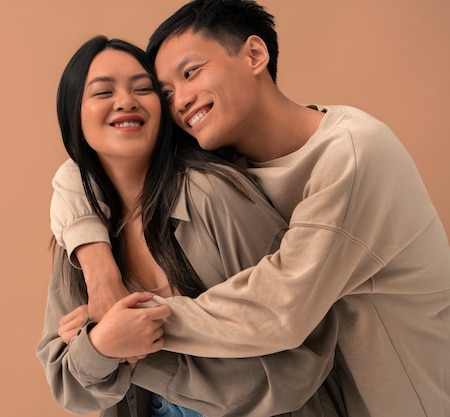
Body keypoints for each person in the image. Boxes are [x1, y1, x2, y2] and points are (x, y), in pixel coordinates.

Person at [49, 1, 450, 416]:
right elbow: (80, 169)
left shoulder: (353, 154)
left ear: (255, 55)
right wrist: (96, 263)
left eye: (190, 73)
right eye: (165, 93)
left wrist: (122, 326)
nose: (180, 100)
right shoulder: (229, 159)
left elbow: (281, 308)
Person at [37, 35, 343, 417]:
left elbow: (300, 353)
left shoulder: (213, 194)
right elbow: (69, 385)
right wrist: (102, 346)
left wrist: (120, 347)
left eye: (144, 89)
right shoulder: (80, 238)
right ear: (73, 115)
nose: (126, 101)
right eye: (103, 92)